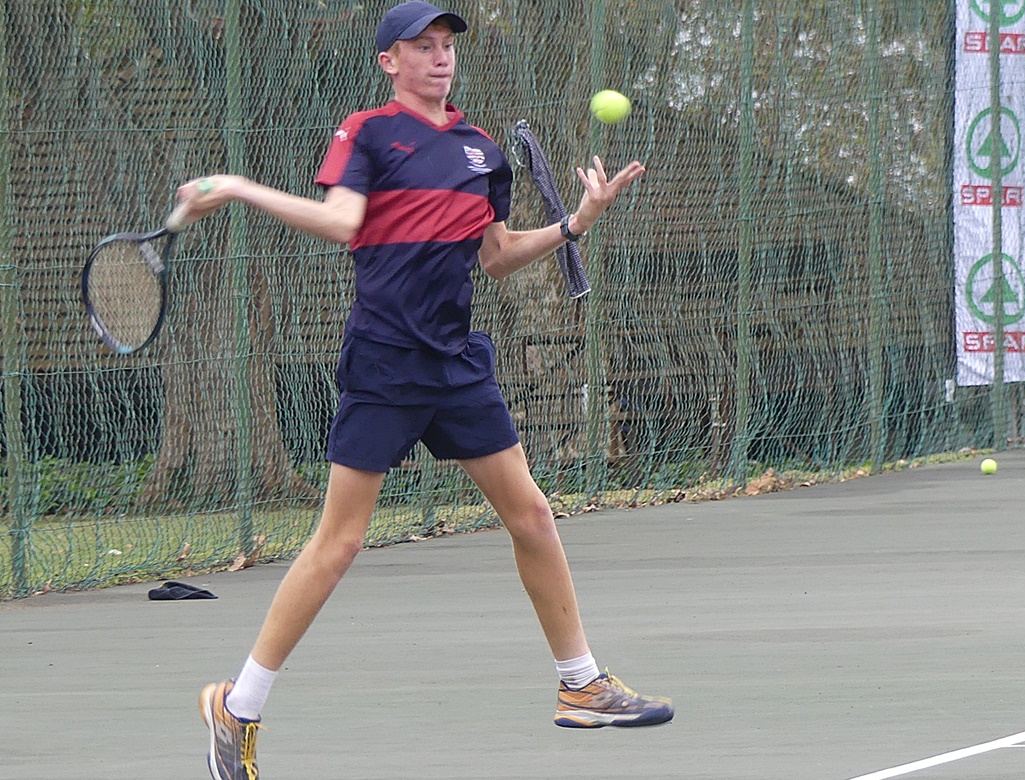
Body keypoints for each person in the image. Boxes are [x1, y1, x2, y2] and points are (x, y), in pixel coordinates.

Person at [175, 3, 668, 778]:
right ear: (388, 62)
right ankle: (236, 708)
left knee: (532, 514)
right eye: (422, 47)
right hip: (384, 361)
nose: (440, 58)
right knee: (338, 544)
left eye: (446, 46)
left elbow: (498, 255)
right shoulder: (367, 133)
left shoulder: (481, 151)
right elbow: (343, 223)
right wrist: (238, 186)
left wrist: (575, 224)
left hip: (456, 360)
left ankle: (582, 685)